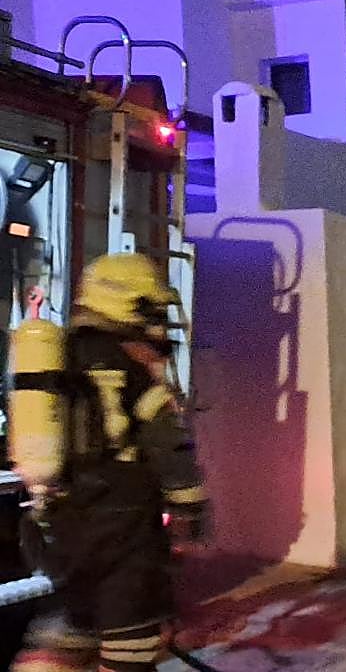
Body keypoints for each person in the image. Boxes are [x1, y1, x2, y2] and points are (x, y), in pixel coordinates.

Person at [12, 253, 207, 672]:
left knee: (77, 622)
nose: (157, 324)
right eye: (152, 311)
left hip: (65, 526)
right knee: (129, 642)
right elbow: (169, 446)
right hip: (125, 531)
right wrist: (191, 505)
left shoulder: (59, 357)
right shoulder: (131, 372)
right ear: (129, 307)